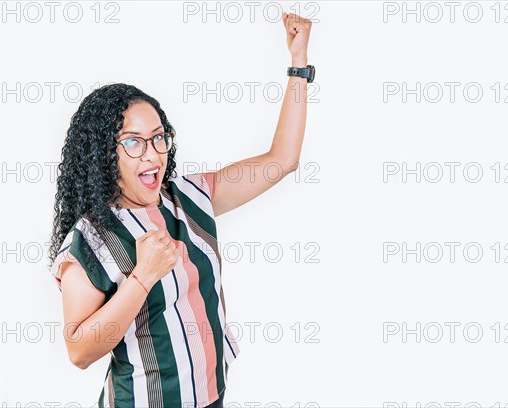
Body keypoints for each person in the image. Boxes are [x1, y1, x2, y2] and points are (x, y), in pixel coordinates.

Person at [47, 12, 313, 408]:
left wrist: (298, 64)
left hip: (211, 398)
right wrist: (143, 276)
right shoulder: (89, 240)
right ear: (104, 154)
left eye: (158, 138)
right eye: (133, 143)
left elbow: (282, 160)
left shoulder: (189, 197)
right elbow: (79, 351)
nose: (153, 153)